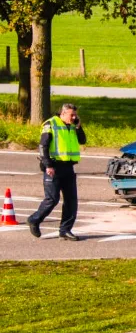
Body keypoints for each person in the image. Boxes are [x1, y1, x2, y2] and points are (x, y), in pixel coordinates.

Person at [27, 103, 87, 240]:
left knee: (71, 201)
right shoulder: (50, 124)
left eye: (75, 115)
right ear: (63, 113)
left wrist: (79, 126)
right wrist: (48, 165)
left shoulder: (73, 125)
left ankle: (65, 230)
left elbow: (82, 140)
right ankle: (34, 219)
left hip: (68, 167)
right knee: (52, 199)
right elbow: (43, 146)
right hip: (53, 167)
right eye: (71, 115)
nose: (74, 117)